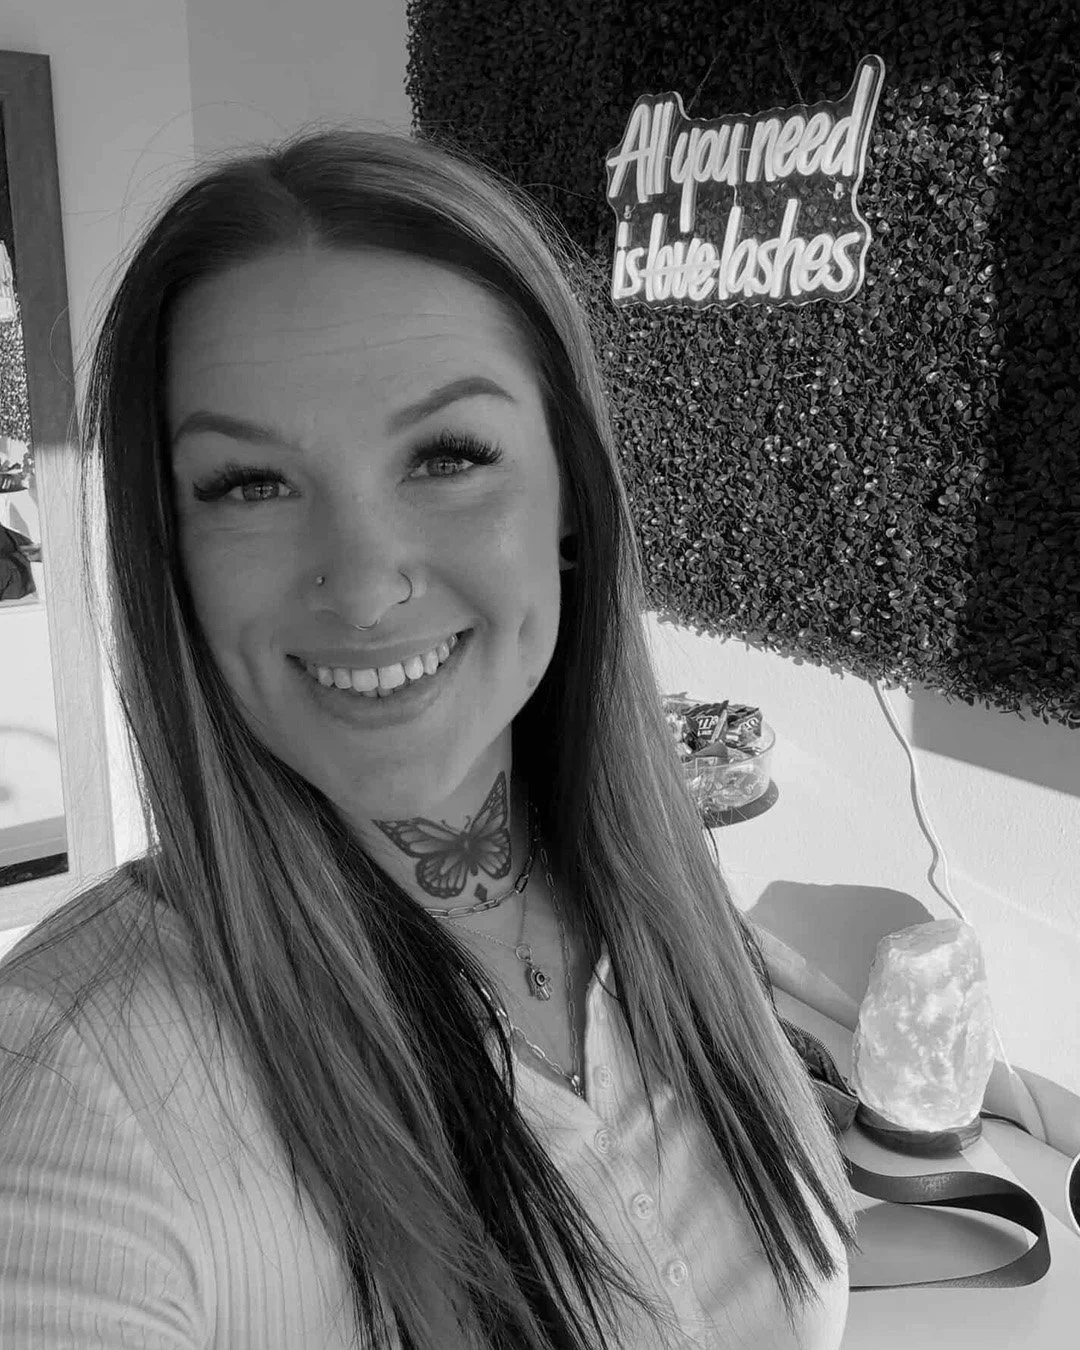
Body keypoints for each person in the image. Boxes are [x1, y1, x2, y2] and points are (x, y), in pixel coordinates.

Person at [0, 125, 859, 1350]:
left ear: (571, 500)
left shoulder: (670, 909)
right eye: (249, 483)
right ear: (172, 554)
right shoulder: (75, 1096)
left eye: (448, 456)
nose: (360, 585)